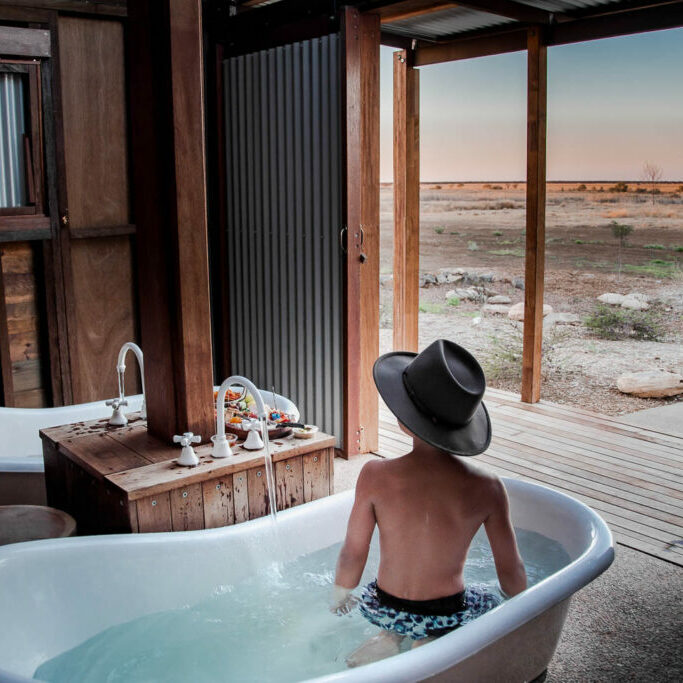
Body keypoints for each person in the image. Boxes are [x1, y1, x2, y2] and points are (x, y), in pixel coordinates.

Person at [331, 339, 527, 667]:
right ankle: (429, 642)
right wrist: (524, 612)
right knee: (448, 629)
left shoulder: (375, 475)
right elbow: (510, 570)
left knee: (393, 625)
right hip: (446, 608)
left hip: (387, 604)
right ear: (462, 426)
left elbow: (353, 552)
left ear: (405, 417)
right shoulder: (488, 487)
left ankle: (389, 637)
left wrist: (339, 595)